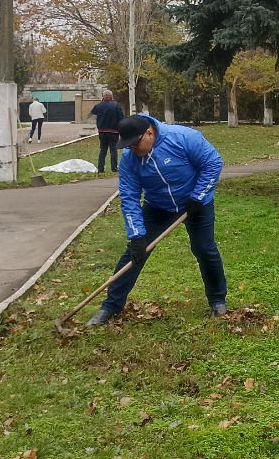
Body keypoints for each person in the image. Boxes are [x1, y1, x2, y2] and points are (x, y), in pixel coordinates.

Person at [85, 114, 228, 326]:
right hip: (158, 207)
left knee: (204, 249)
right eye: (127, 145)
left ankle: (217, 300)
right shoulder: (129, 159)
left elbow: (213, 163)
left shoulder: (182, 137)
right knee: (135, 254)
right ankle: (110, 306)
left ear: (149, 133)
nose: (131, 149)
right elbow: (129, 196)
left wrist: (198, 197)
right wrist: (136, 235)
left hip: (195, 203)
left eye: (134, 144)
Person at [91, 90, 125, 174]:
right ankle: (114, 168)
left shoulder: (98, 106)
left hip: (102, 131)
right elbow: (121, 118)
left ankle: (100, 169)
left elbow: (93, 112)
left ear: (103, 97)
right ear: (111, 97)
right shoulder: (116, 105)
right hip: (113, 131)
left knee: (103, 150)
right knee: (113, 150)